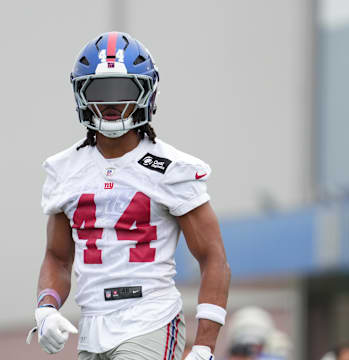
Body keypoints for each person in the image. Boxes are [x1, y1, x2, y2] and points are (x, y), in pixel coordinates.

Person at [26, 32, 231, 360]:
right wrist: (47, 307)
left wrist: (204, 345)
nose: (110, 103)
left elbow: (213, 258)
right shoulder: (64, 169)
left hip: (150, 319)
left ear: (145, 92)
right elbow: (57, 257)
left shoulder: (171, 168)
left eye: (122, 90)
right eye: (99, 91)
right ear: (81, 94)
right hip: (90, 327)